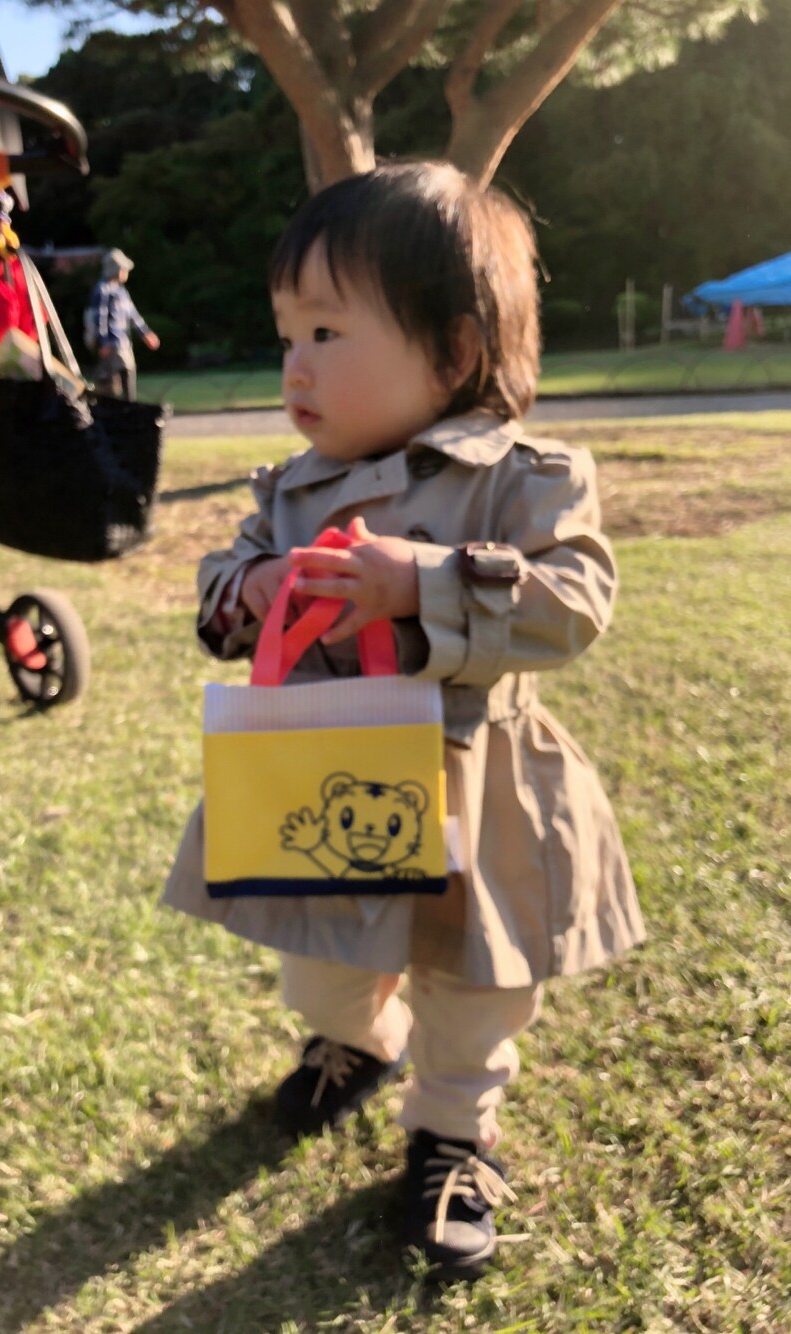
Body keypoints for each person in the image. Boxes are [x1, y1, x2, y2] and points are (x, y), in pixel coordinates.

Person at [162, 161, 645, 1279]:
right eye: (287, 335)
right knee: (322, 961)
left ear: (456, 351)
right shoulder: (289, 488)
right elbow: (220, 585)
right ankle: (358, 1039)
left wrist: (422, 581)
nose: (295, 365)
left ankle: (453, 1135)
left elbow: (576, 599)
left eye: (328, 332)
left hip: (479, 778)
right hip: (325, 771)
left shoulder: (522, 476)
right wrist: (249, 586)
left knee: (475, 983)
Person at [87, 248, 160, 400]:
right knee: (116, 376)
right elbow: (99, 317)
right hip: (113, 343)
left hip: (124, 341)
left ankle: (128, 403)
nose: (126, 272)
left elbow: (132, 314)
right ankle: (122, 404)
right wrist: (103, 342)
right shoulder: (102, 290)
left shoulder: (121, 291)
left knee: (127, 373)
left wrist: (145, 332)